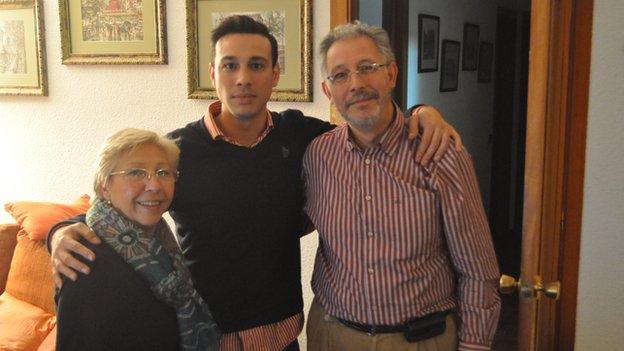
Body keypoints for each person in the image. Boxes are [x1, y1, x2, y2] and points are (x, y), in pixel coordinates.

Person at [47, 16, 461, 351]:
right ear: (214, 73)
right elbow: (126, 201)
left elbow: (365, 120)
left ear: (275, 74)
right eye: (230, 65)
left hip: (280, 337)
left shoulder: (304, 138)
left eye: (256, 65)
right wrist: (59, 231)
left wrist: (421, 112)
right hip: (201, 334)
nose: (243, 77)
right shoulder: (177, 150)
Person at [303, 22, 500, 351]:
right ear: (327, 91)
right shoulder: (316, 156)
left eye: (368, 68)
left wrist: (474, 346)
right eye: (340, 75)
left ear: (391, 74)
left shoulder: (441, 155)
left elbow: (478, 271)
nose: (356, 84)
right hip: (332, 336)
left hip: (420, 340)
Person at [55, 128, 221, 351]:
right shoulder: (86, 260)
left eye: (163, 172)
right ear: (104, 186)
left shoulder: (163, 248)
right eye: (136, 172)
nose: (154, 185)